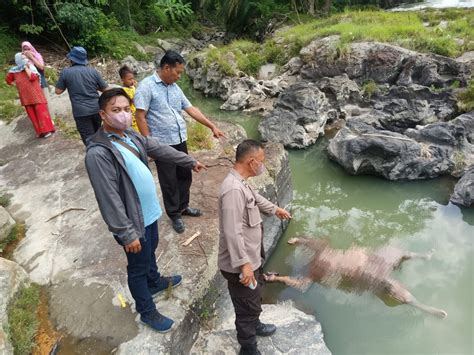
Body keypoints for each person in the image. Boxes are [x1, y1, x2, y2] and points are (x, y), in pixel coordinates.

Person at [85, 88, 206, 333]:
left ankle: (156, 281)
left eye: (126, 110)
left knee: (150, 250)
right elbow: (108, 198)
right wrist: (126, 233)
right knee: (137, 266)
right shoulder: (99, 153)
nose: (123, 115)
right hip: (131, 222)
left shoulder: (129, 136)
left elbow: (159, 148)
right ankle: (147, 311)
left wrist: (189, 161)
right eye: (115, 110)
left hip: (148, 213)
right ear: (103, 114)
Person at [134, 50, 225, 234]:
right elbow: (140, 116)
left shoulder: (174, 87)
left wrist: (211, 126)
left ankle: (183, 207)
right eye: (178, 72)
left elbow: (190, 109)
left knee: (185, 174)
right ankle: (174, 214)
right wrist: (150, 144)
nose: (179, 76)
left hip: (179, 139)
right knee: (169, 180)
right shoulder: (146, 86)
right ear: (166, 68)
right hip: (162, 144)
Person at [218, 139, 292, 355]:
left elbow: (255, 198)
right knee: (245, 308)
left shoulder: (241, 181)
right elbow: (232, 231)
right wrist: (244, 265)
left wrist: (275, 209)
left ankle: (256, 325)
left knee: (253, 296)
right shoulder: (232, 190)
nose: (262, 165)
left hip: (252, 258)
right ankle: (248, 347)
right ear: (251, 162)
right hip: (241, 264)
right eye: (260, 161)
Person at [55, 46, 108, 145]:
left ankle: (96, 157)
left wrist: (68, 83)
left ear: (71, 59)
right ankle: (103, 154)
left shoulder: (66, 72)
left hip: (81, 112)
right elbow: (106, 89)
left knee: (89, 140)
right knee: (99, 135)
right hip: (97, 109)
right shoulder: (93, 71)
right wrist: (94, 87)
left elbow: (58, 91)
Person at [5, 52, 55, 138]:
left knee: (41, 112)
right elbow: (8, 81)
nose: (26, 60)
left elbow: (33, 78)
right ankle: (40, 132)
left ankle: (47, 131)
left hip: (36, 94)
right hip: (25, 97)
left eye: (26, 58)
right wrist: (16, 84)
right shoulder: (14, 71)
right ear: (18, 60)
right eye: (23, 58)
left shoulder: (30, 67)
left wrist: (26, 68)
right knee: (32, 115)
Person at [21, 41, 54, 120]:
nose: (26, 50)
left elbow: (41, 67)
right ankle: (43, 120)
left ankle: (52, 118)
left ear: (31, 48)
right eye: (24, 49)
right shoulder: (22, 58)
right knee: (38, 104)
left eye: (28, 48)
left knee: (46, 100)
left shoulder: (37, 55)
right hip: (30, 84)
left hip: (41, 81)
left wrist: (32, 58)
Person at [119, 65, 139, 132]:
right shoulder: (123, 90)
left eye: (133, 78)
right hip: (131, 116)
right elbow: (133, 100)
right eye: (129, 79)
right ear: (122, 80)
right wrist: (137, 89)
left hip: (136, 114)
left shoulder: (132, 87)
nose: (132, 81)